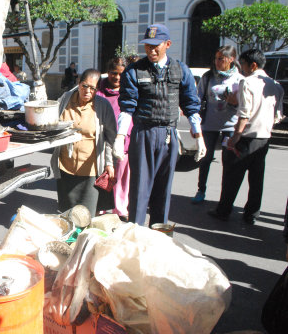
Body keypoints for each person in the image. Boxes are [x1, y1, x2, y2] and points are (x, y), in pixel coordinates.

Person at [114, 24, 206, 227]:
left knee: (163, 189)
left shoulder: (180, 69)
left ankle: (159, 236)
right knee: (139, 189)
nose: (151, 50)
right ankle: (135, 235)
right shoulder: (134, 71)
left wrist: (199, 137)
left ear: (168, 44)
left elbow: (191, 105)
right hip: (143, 133)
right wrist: (120, 138)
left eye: (156, 46)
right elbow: (127, 107)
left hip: (169, 134)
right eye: (147, 46)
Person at [208, 49, 284, 224]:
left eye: (242, 64)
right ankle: (252, 213)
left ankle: (224, 210)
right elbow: (278, 114)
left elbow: (244, 114)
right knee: (257, 179)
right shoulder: (275, 84)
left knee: (232, 176)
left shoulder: (247, 83)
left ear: (253, 65)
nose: (241, 69)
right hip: (264, 137)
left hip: (246, 136)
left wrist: (236, 136)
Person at [51, 68, 117, 216]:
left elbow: (110, 138)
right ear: (78, 83)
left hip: (90, 172)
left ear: (97, 89)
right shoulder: (64, 100)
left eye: (92, 88)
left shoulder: (103, 106)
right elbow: (53, 123)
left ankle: (84, 239)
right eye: (85, 86)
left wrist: (109, 163)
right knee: (67, 213)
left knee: (87, 215)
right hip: (66, 167)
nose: (88, 91)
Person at [192, 46, 244, 204]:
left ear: (231, 60)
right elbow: (197, 98)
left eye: (221, 58)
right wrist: (194, 123)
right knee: (205, 159)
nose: (217, 62)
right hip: (208, 125)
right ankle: (201, 190)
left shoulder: (239, 79)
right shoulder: (208, 77)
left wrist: (235, 103)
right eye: (216, 58)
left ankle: (225, 197)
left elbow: (245, 105)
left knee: (229, 163)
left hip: (230, 127)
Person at [96, 57, 132, 221]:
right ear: (108, 73)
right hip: (102, 141)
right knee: (103, 175)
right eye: (113, 73)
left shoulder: (129, 91)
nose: (117, 77)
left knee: (122, 176)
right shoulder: (98, 90)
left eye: (120, 74)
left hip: (123, 141)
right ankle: (101, 207)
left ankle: (120, 208)